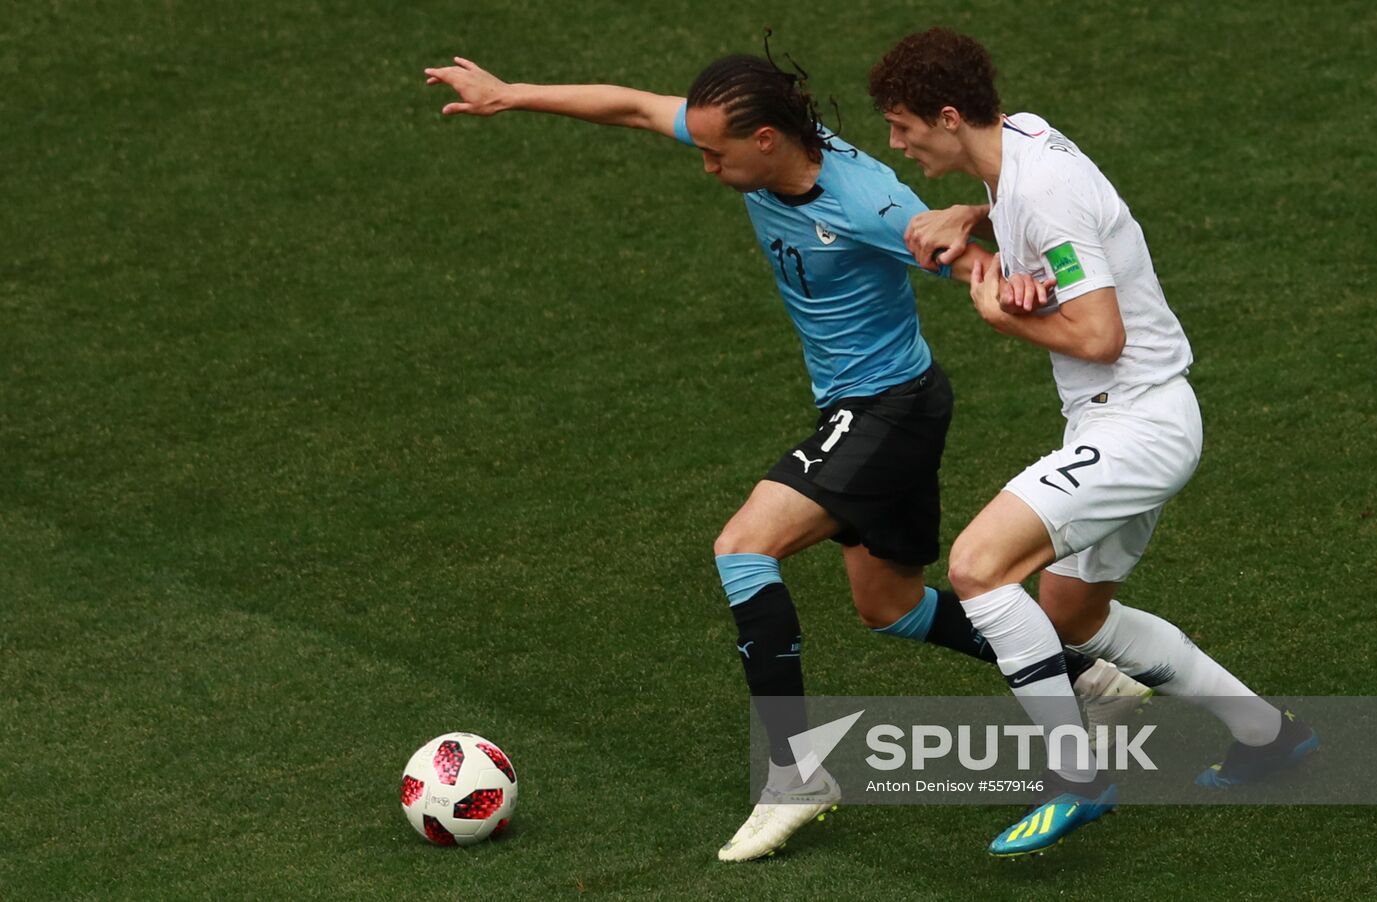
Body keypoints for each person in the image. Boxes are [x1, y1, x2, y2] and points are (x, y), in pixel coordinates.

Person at [424, 42, 1148, 862]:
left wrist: (1007, 272)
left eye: (714, 153)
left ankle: (793, 774)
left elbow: (977, 264)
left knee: (743, 549)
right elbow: (630, 105)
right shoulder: (758, 159)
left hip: (887, 412)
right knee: (892, 606)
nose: (703, 165)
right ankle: (1082, 674)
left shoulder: (872, 203)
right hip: (887, 406)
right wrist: (509, 91)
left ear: (765, 138)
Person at [868, 27, 1318, 857]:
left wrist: (1006, 315)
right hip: (1130, 415)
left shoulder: (1042, 194)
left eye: (902, 127)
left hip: (1136, 419)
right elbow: (1035, 199)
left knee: (976, 567)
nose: (895, 144)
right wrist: (974, 213)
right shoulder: (1024, 139)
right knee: (1072, 615)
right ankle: (1269, 737)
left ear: (948, 114)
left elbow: (1100, 334)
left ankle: (1076, 776)